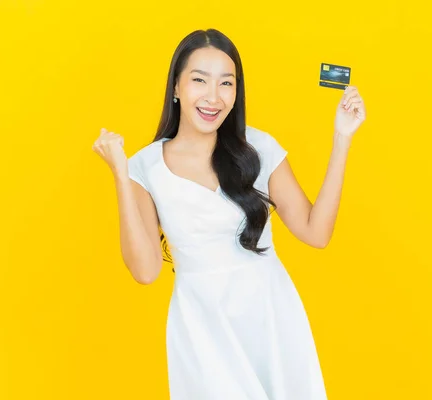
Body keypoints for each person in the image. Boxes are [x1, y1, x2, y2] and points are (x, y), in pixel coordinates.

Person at [92, 28, 366, 400]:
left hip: (271, 314)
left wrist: (342, 138)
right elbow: (145, 271)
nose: (213, 97)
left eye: (226, 83)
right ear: (176, 87)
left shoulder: (259, 148)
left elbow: (316, 233)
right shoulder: (145, 166)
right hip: (201, 326)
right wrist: (121, 176)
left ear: (237, 92)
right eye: (199, 80)